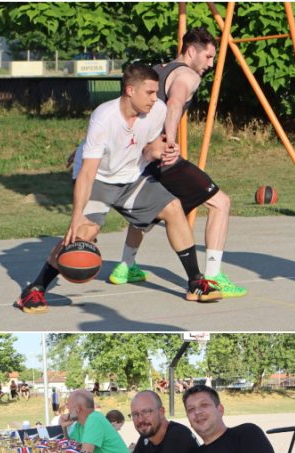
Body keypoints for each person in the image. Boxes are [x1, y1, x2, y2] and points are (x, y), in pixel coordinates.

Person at [15, 64, 220, 314]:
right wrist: (76, 217)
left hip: (131, 177)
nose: (155, 98)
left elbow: (147, 148)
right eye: (149, 92)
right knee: (84, 232)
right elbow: (88, 172)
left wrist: (156, 150)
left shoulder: (158, 110)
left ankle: (196, 282)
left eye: (156, 92)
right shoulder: (105, 116)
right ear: (130, 90)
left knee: (173, 208)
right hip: (98, 179)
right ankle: (34, 289)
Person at [105, 29, 245, 297]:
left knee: (151, 207)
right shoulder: (187, 75)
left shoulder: (157, 71)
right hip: (160, 155)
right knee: (220, 203)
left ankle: (125, 266)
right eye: (208, 56)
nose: (210, 63)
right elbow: (175, 103)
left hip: (139, 156)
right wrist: (169, 141)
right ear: (191, 51)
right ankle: (213, 277)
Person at [59, 389, 130, 453]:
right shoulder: (80, 424)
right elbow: (71, 447)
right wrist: (63, 428)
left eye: (68, 405)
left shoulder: (94, 419)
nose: (67, 408)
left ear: (77, 408)